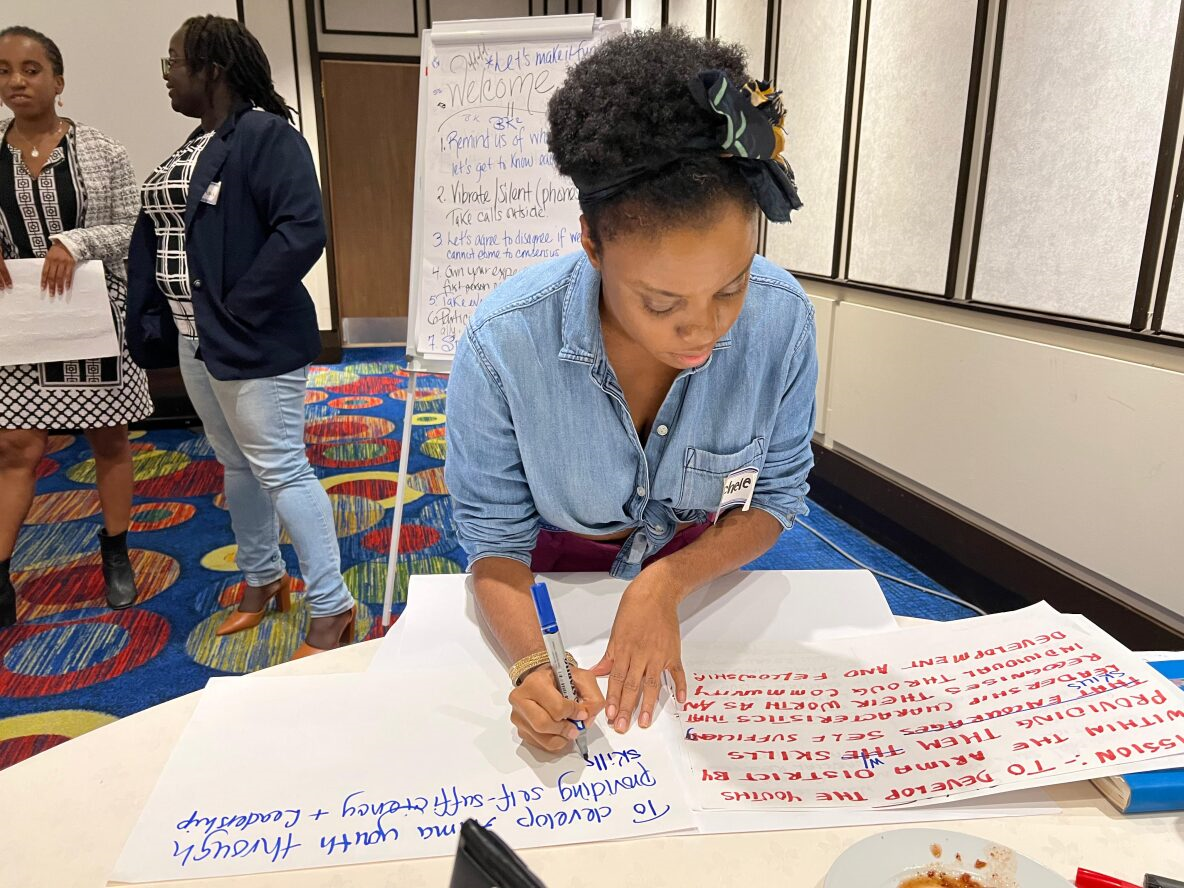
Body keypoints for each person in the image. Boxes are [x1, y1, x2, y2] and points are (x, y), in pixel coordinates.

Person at [445, 28, 816, 752]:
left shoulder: (782, 321)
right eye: (660, 302)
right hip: (553, 593)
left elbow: (775, 498)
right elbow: (495, 546)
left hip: (708, 592)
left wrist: (667, 580)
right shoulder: (503, 346)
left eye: (731, 285)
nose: (702, 330)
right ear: (591, 243)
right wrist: (529, 665)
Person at [125, 15, 354, 657]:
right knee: (236, 465)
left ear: (212, 68)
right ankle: (263, 580)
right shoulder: (194, 146)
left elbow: (300, 231)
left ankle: (333, 607)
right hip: (195, 342)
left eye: (174, 62)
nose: (167, 75)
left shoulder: (265, 136)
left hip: (250, 340)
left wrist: (236, 308)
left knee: (281, 466)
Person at [0, 26, 153, 627]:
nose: (17, 80)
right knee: (15, 446)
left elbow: (130, 227)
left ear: (58, 82)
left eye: (32, 69)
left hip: (94, 317)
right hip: (19, 325)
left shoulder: (103, 151)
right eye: (6, 69)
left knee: (108, 439)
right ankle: (2, 575)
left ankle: (115, 552)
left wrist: (75, 240)